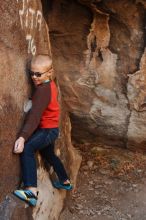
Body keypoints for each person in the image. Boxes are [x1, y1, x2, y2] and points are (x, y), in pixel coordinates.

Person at [13, 54, 72, 207]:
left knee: (27, 149)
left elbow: (35, 116)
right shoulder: (50, 85)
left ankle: (31, 192)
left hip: (47, 131)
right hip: (52, 130)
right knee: (49, 155)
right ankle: (65, 181)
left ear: (49, 73)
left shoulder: (42, 91)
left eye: (38, 74)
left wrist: (22, 137)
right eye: (31, 73)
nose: (34, 77)